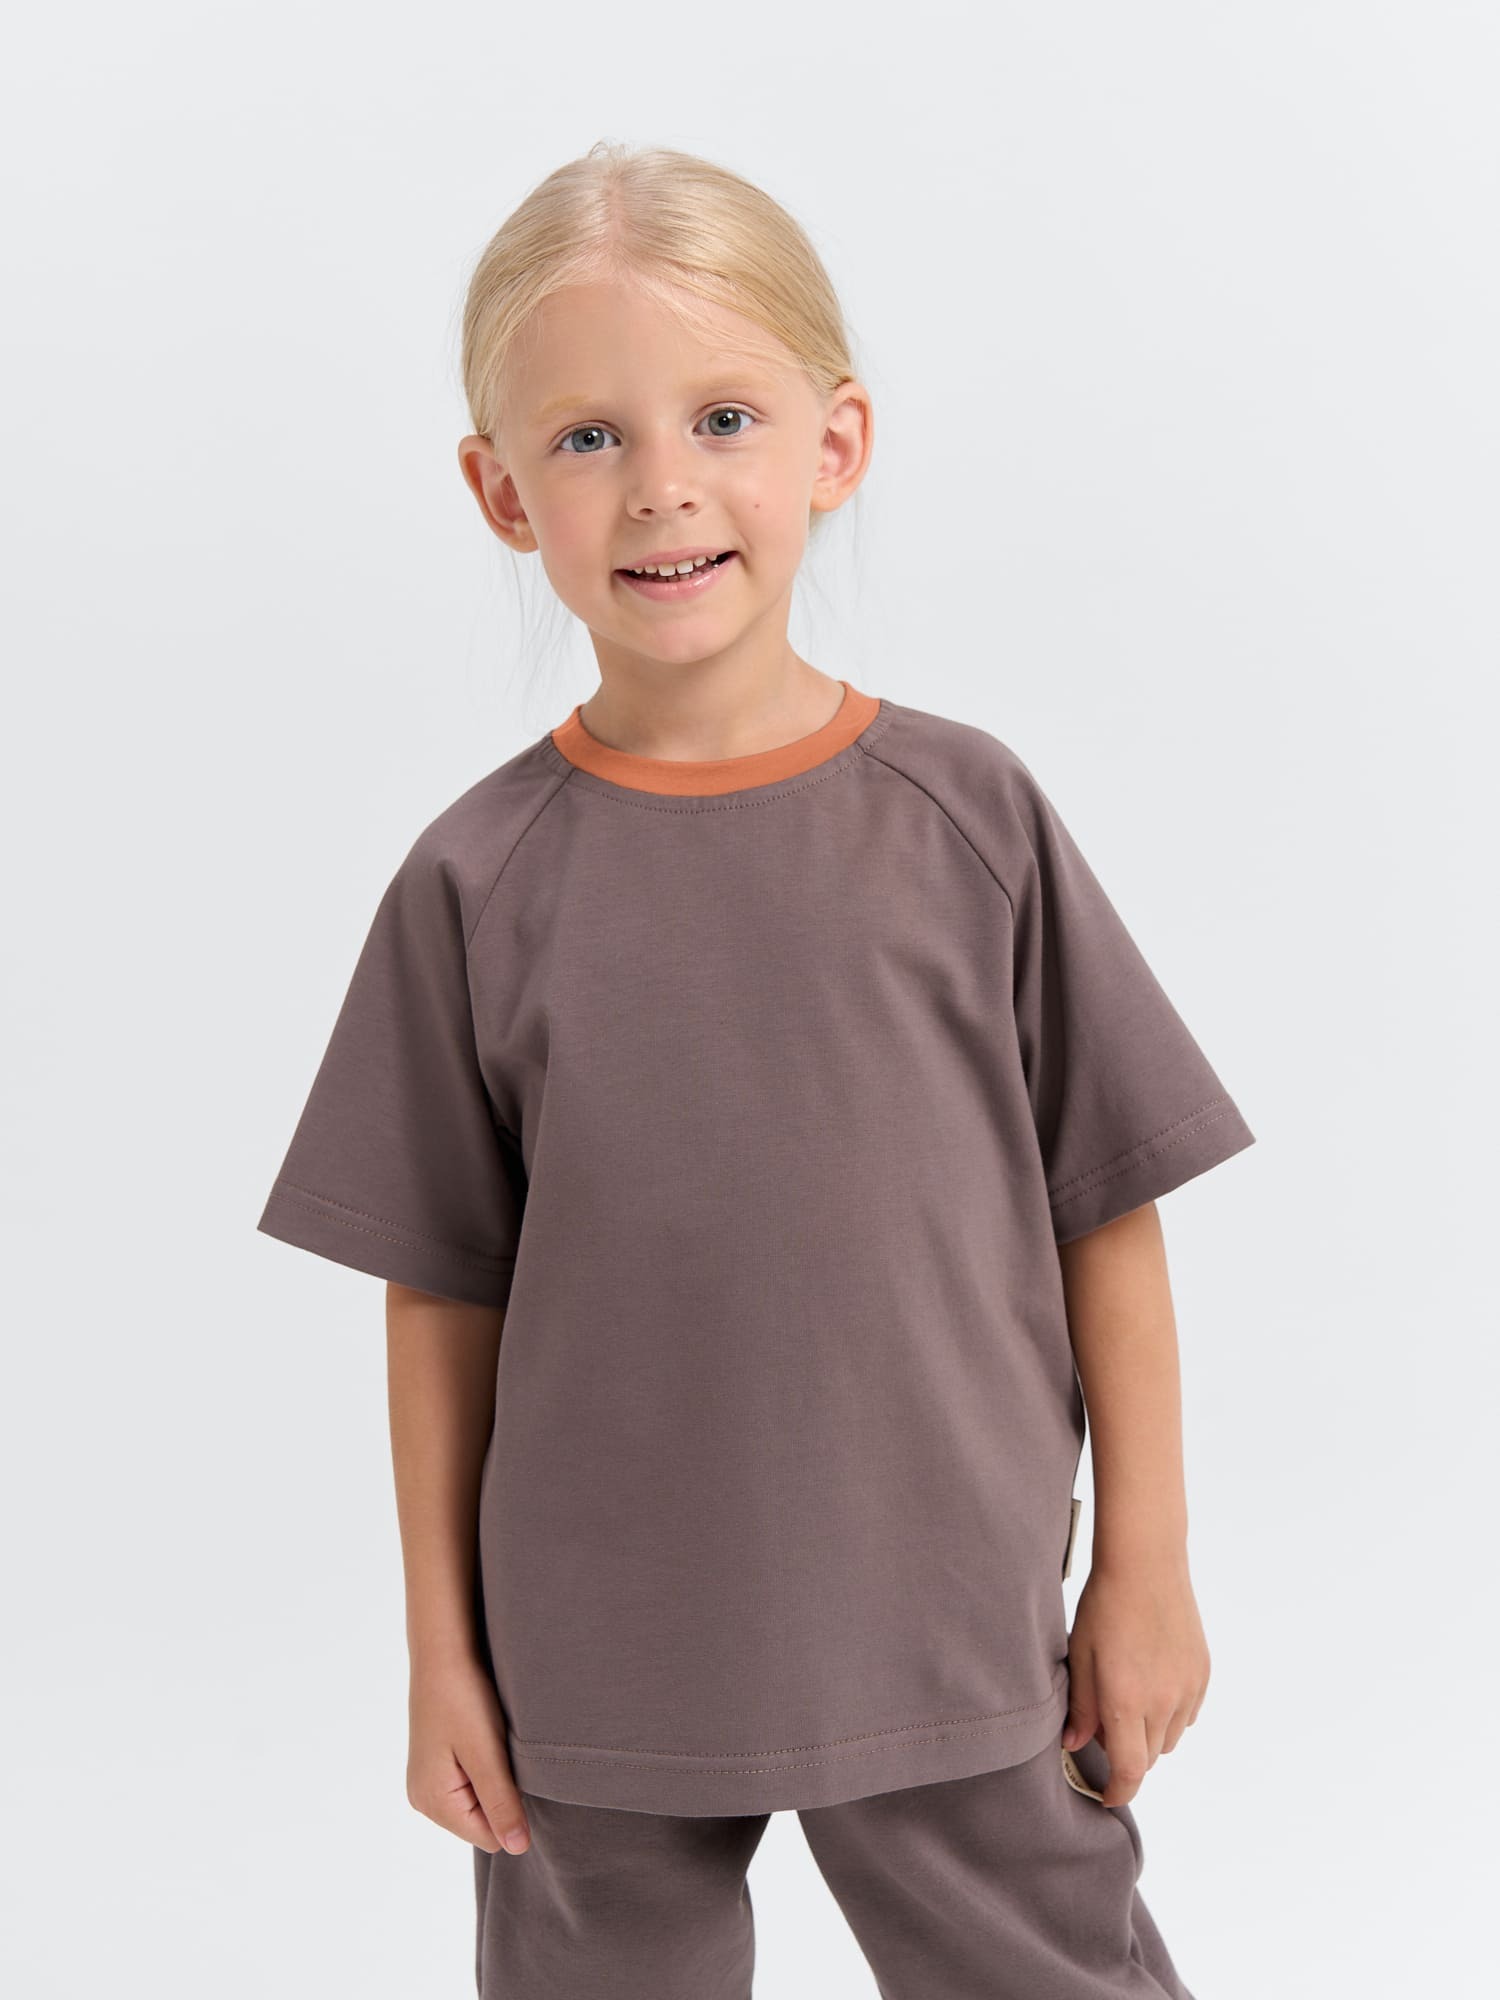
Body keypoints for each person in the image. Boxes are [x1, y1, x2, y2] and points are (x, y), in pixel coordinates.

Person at [256, 140, 1256, 1999]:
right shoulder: (476, 881)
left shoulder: (971, 821)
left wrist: (1147, 1565)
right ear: (500, 492)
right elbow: (441, 1295)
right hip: (595, 1652)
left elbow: (1106, 1207)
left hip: (947, 1616)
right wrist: (441, 1655)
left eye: (723, 416)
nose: (663, 485)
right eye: (588, 437)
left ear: (835, 444)